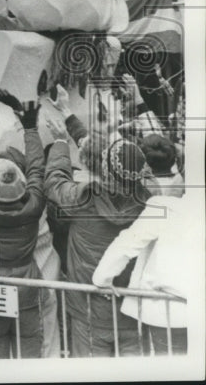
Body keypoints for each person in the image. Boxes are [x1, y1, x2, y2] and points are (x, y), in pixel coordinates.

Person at [44, 117, 149, 357]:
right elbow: (128, 162)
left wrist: (61, 141)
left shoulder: (83, 197)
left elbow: (55, 183)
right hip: (132, 309)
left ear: (104, 168)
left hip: (87, 311)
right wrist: (75, 126)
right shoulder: (149, 199)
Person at [0, 91, 46, 359]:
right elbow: (38, 167)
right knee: (30, 350)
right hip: (27, 284)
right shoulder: (33, 205)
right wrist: (30, 127)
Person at [91, 181, 189, 355]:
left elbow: (127, 244)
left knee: (171, 369)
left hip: (172, 312)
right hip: (182, 307)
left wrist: (103, 280)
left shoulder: (166, 207)